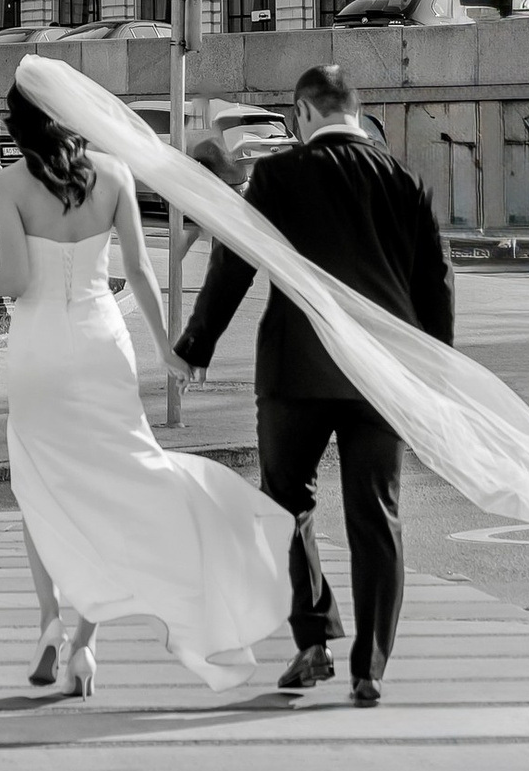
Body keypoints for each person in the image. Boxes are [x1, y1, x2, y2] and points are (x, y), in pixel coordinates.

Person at [0, 68, 294, 698]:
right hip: (103, 342)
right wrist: (167, 351)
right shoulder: (115, 175)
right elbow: (141, 273)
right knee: (114, 485)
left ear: (19, 121)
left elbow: (17, 281)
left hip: (39, 348)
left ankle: (49, 622)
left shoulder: (5, 184)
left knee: (40, 486)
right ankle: (85, 646)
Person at [172, 60, 453, 704]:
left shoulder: (278, 175)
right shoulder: (406, 181)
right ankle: (370, 667)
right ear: (355, 110)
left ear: (302, 114)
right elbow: (435, 283)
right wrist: (436, 372)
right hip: (381, 379)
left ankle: (314, 636)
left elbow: (235, 262)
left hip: (295, 373)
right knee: (376, 514)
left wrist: (197, 344)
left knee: (285, 506)